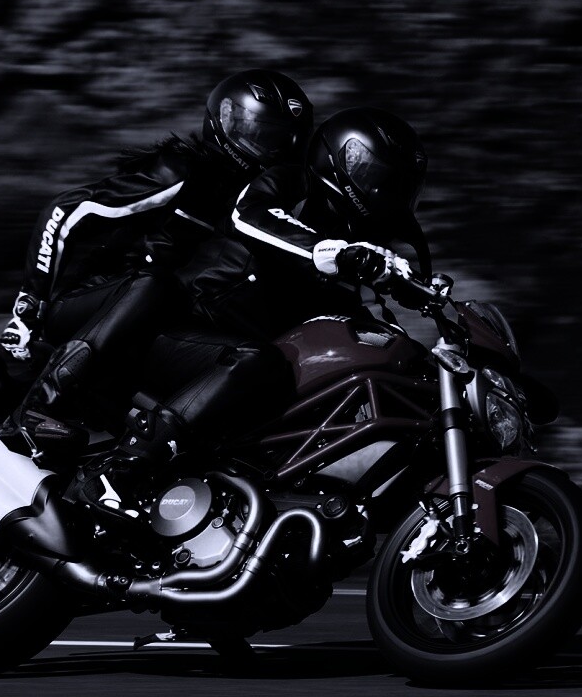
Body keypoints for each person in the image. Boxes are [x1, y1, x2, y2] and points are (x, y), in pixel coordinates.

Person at [76, 105, 431, 509]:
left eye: (400, 186)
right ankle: (120, 472)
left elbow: (346, 326)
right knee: (257, 360)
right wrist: (331, 253)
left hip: (231, 369)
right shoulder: (291, 184)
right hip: (179, 331)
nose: (386, 193)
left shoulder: (346, 260)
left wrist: (416, 360)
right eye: (379, 178)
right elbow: (252, 218)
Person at [0, 69, 315, 453]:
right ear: (223, 119)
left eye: (276, 141)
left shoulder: (261, 207)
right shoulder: (182, 171)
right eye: (254, 133)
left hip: (150, 326)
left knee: (250, 355)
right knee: (156, 283)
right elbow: (65, 212)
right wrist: (29, 307)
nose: (264, 148)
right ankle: (38, 406)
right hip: (90, 306)